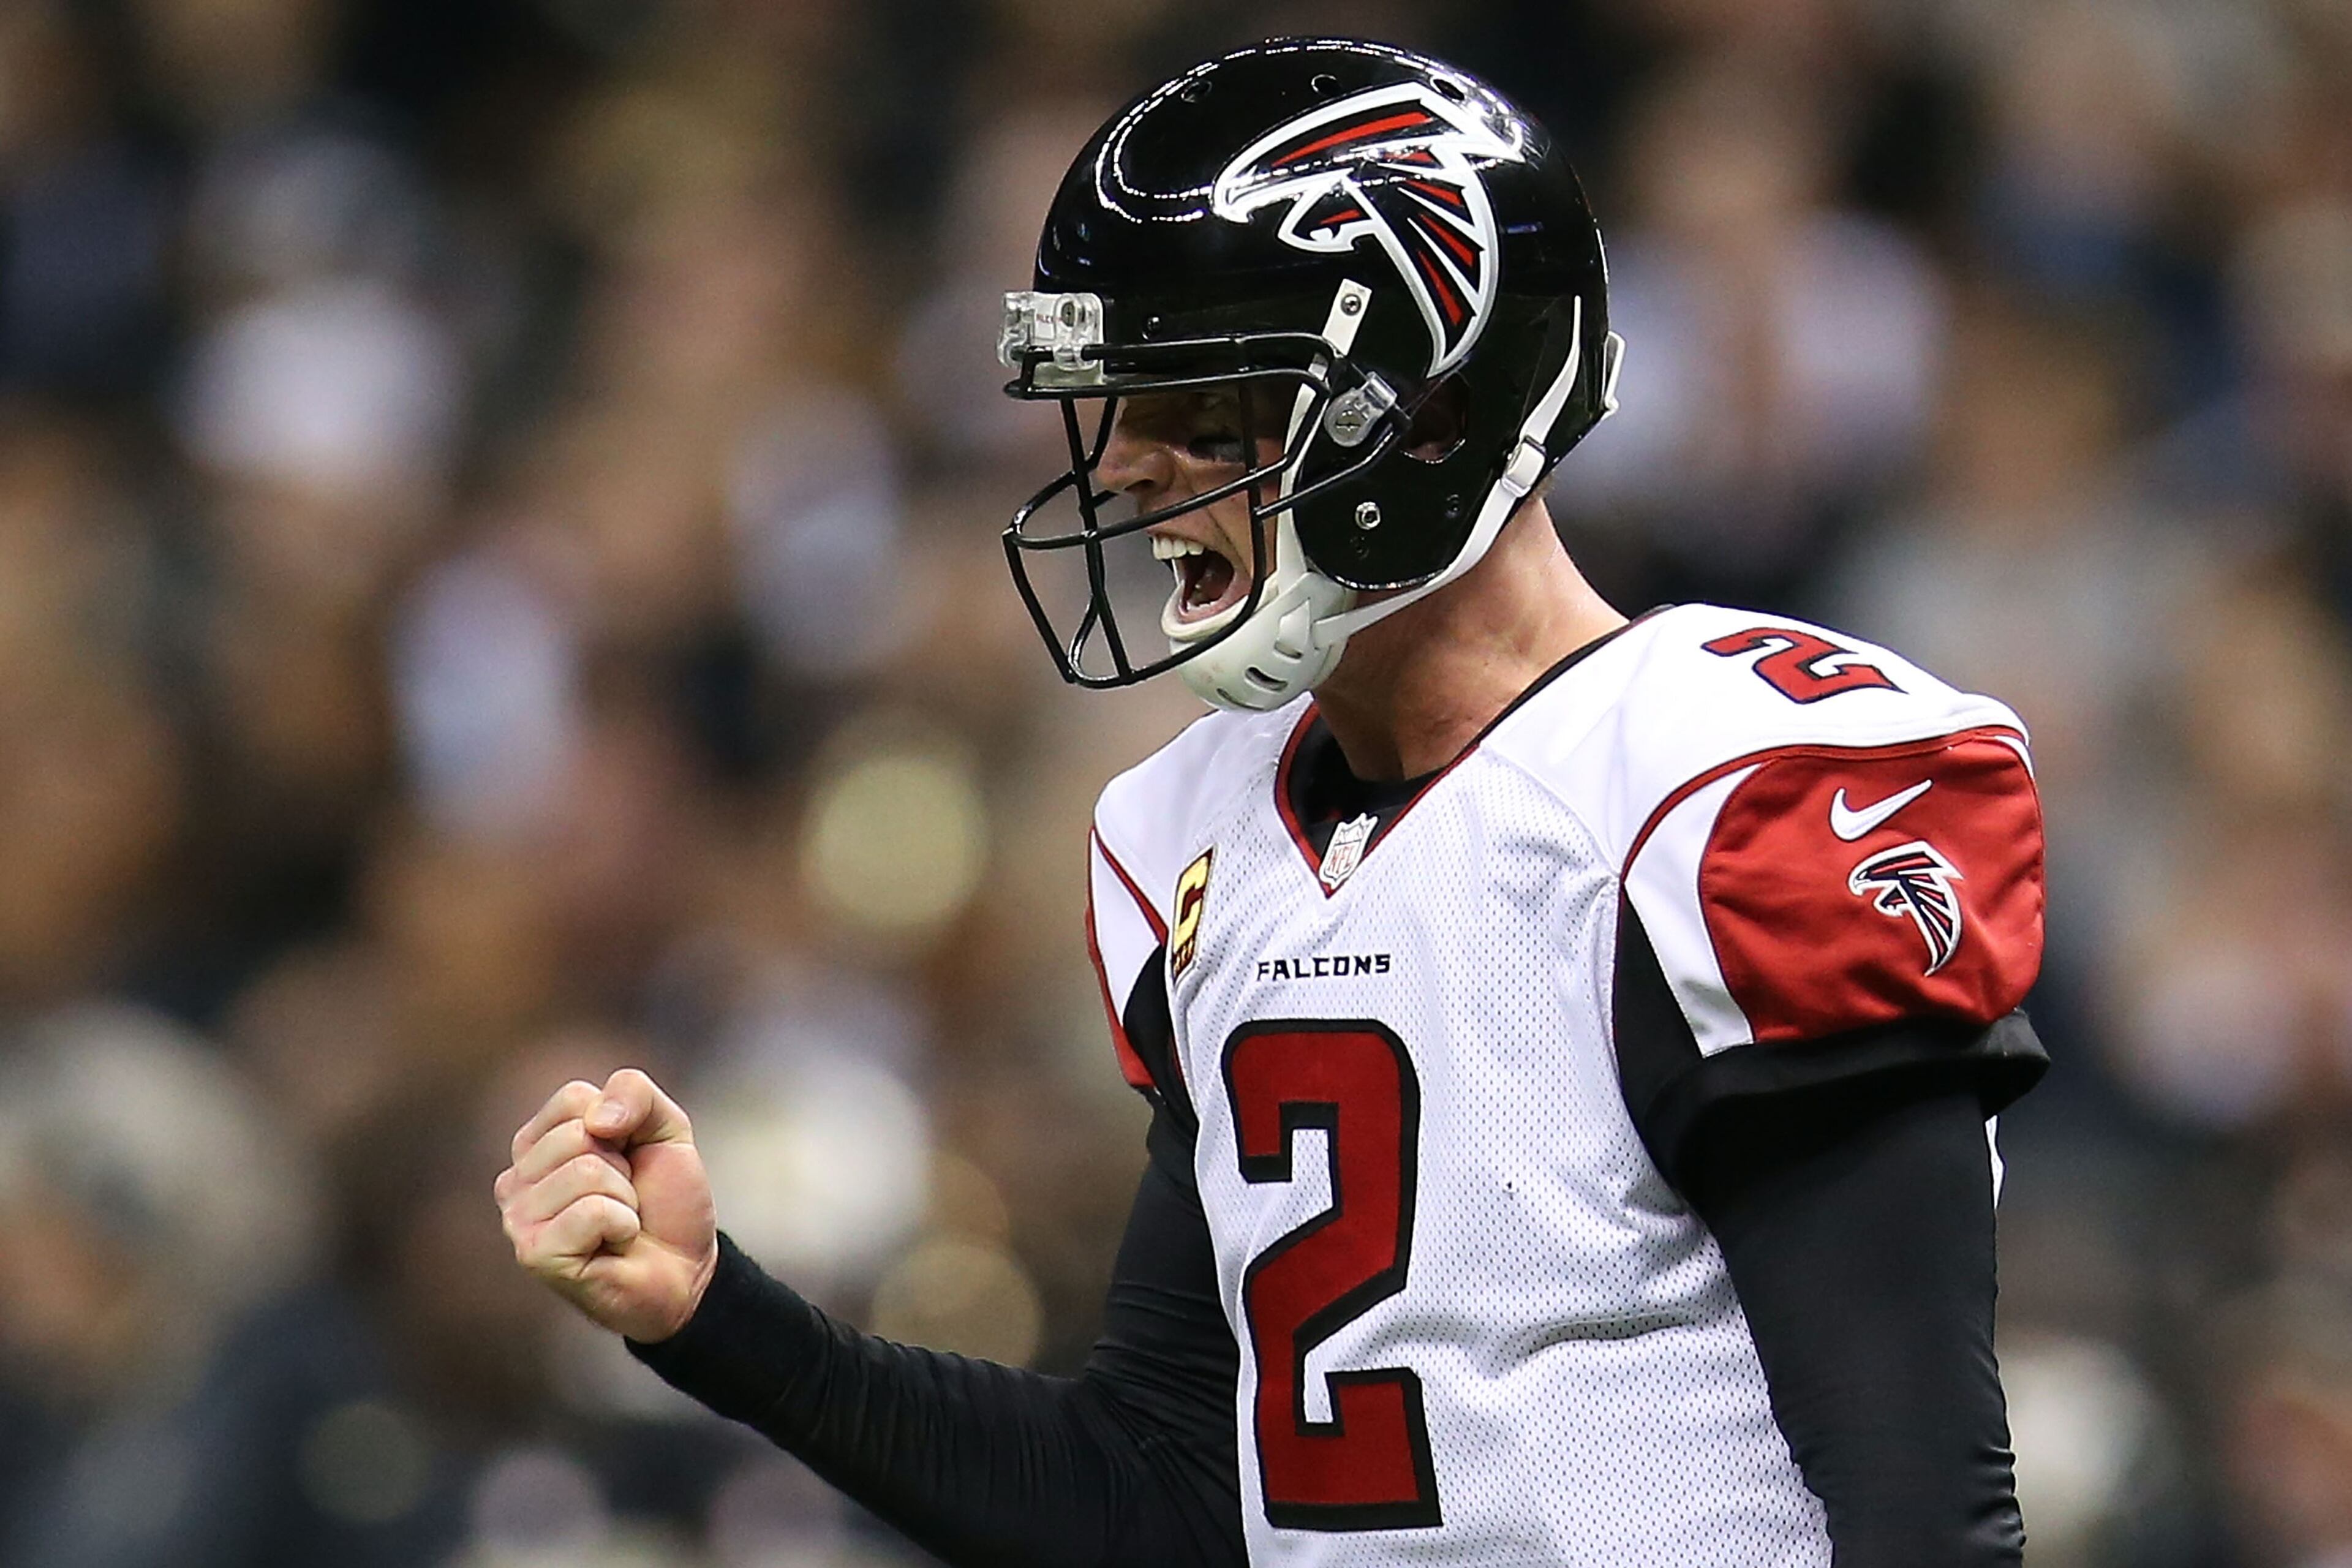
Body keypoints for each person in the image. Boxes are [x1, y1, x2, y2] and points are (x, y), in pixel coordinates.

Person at [498, 37, 2048, 1568]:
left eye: (1203, 404)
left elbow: (1924, 1510)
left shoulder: (1720, 788)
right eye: (1124, 405)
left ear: (1431, 413)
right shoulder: (1195, 837)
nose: (1126, 471)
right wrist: (717, 1314)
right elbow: (1165, 1490)